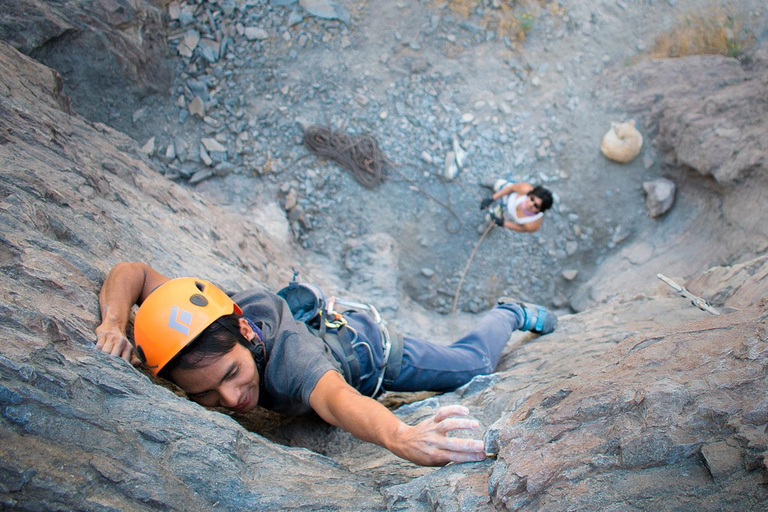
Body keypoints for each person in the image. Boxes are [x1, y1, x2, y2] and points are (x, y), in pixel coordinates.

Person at [95, 261, 557, 467]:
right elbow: (131, 271)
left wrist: (401, 435)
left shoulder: (289, 361)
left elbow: (336, 399)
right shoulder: (204, 319)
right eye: (205, 395)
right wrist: (115, 323)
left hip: (373, 354)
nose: (232, 399)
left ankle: (509, 313)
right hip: (332, 326)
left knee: (473, 363)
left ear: (248, 333)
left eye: (232, 374)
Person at [480, 180, 553, 233]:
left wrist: (503, 223)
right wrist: (492, 198)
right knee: (500, 184)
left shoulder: (532, 224)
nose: (530, 204)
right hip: (508, 196)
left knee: (490, 218)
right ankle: (494, 184)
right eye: (531, 199)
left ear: (540, 210)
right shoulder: (525, 189)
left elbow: (521, 228)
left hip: (507, 213)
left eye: (536, 206)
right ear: (530, 194)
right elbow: (510, 188)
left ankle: (488, 223)